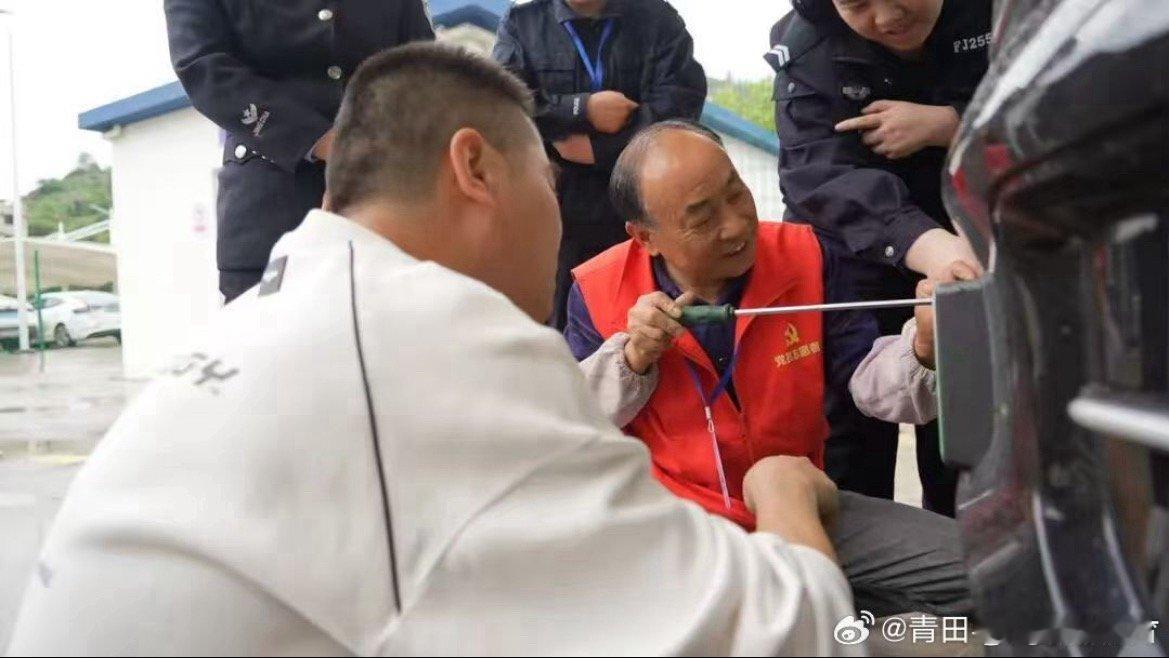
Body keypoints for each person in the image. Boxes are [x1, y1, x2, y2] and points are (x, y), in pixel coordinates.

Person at [7, 44, 860, 656]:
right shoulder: (446, 348)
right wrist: (782, 495)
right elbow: (781, 633)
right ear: (475, 168)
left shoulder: (279, 309)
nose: (560, 223)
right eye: (548, 183)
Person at [564, 120, 973, 618]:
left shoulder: (806, 256)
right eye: (702, 217)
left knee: (993, 574)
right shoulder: (599, 290)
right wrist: (631, 359)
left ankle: (828, 603)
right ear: (645, 237)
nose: (736, 225)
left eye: (736, 193)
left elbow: (868, 380)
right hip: (675, 527)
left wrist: (923, 347)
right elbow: (576, 428)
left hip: (802, 504)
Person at [767, 0, 991, 515]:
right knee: (850, 431)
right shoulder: (808, 45)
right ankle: (864, 564)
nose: (887, 17)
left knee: (964, 424)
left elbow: (1051, 106)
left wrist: (953, 123)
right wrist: (931, 246)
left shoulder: (998, 12)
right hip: (855, 255)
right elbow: (814, 173)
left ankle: (960, 553)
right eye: (858, 3)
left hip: (976, 237)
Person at [164, 0, 435, 302]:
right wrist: (326, 141)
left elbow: (424, 70)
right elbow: (202, 67)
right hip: (271, 210)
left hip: (388, 200)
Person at [493, 0, 706, 328]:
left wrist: (599, 150)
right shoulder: (523, 22)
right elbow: (503, 103)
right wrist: (582, 109)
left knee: (647, 330)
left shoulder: (657, 19)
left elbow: (680, 106)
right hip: (558, 222)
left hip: (641, 216)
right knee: (562, 334)